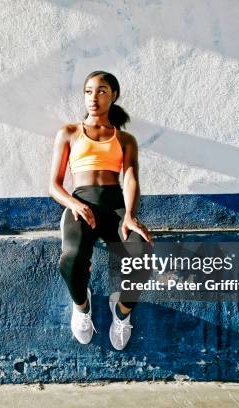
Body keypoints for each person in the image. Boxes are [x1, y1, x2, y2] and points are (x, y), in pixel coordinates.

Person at [48, 70, 153, 350]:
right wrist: (74, 204)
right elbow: (54, 185)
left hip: (116, 207)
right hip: (81, 205)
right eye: (89, 91)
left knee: (142, 255)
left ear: (113, 95)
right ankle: (82, 307)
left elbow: (130, 178)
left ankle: (121, 314)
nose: (94, 97)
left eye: (102, 91)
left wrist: (130, 215)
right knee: (71, 259)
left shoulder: (125, 139)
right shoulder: (69, 132)